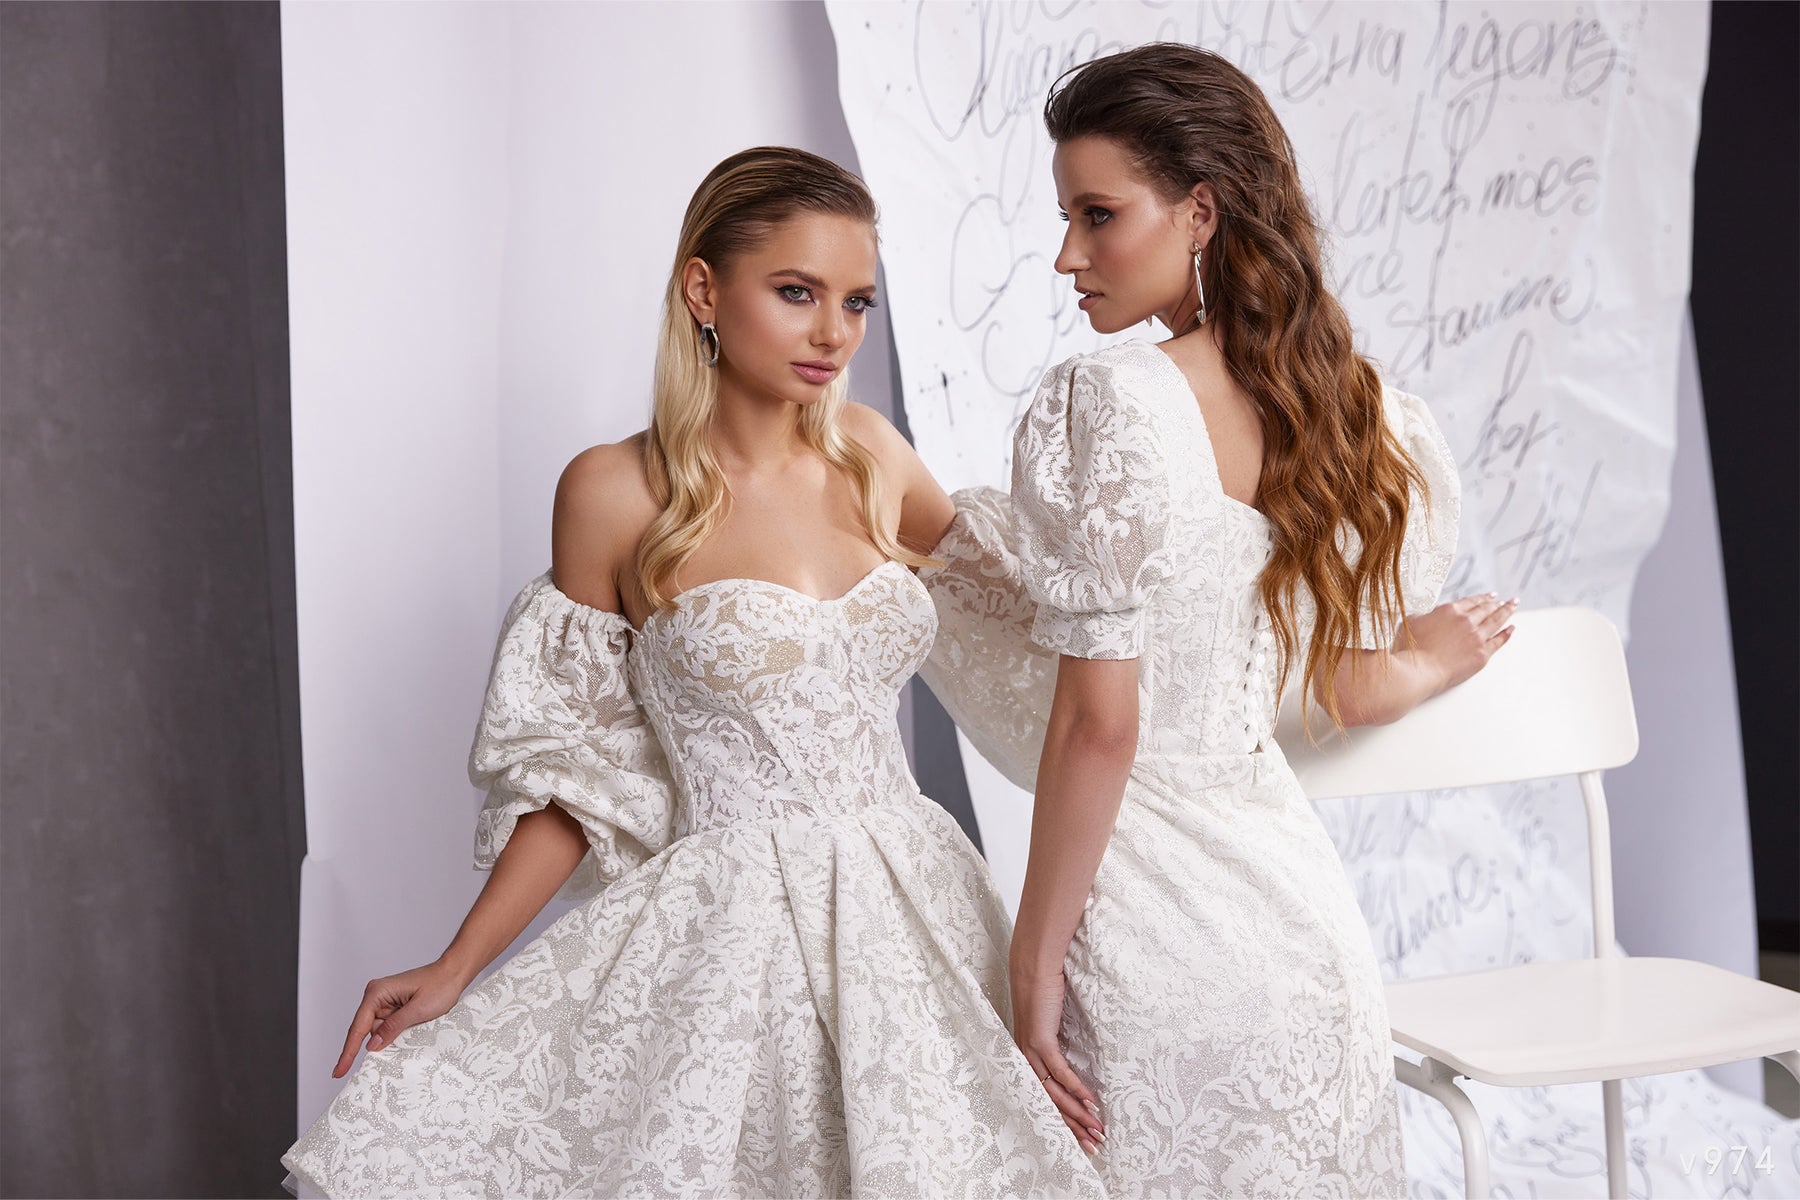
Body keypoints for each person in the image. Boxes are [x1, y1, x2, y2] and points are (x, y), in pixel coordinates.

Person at [281, 146, 1105, 1199]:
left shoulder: (873, 453)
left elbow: (1041, 618)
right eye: (797, 292)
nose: (834, 333)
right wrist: (457, 963)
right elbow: (580, 775)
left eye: (856, 301)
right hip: (733, 938)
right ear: (704, 291)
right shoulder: (611, 494)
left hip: (920, 909)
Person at [918, 44, 1515, 1195]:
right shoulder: (1356, 409)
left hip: (1148, 932)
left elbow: (1101, 729)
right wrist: (1431, 660)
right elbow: (1344, 686)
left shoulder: (1110, 404)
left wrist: (1032, 961)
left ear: (1200, 213)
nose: (1067, 254)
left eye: (1097, 215)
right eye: (1067, 218)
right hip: (1304, 931)